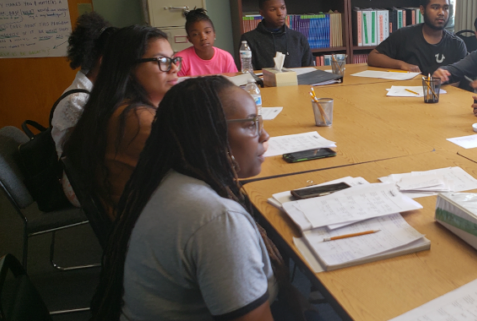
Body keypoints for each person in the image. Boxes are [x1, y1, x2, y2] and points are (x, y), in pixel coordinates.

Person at [89, 76, 313, 321]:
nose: (264, 135)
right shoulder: (217, 219)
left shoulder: (168, 178)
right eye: (251, 125)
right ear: (210, 135)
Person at [63, 25, 181, 219]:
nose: (174, 67)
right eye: (162, 61)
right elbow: (199, 169)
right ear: (129, 67)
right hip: (146, 229)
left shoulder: (116, 106)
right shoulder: (136, 119)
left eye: (174, 59)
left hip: (142, 218)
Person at [52, 12, 116, 206]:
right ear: (103, 60)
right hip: (79, 183)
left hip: (93, 170)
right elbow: (91, 157)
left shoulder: (96, 91)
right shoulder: (77, 101)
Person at [367, 0, 467, 74]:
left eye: (445, 8)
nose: (441, 13)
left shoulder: (457, 44)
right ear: (422, 10)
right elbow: (373, 57)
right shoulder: (404, 35)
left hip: (443, 97)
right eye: (435, 7)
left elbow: (457, 81)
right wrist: (401, 64)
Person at [240, 0, 314, 70]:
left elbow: (309, 71)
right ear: (262, 13)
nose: (280, 13)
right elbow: (248, 73)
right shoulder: (249, 39)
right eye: (273, 9)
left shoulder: (299, 38)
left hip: (297, 83)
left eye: (283, 8)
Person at [174, 8, 238, 77]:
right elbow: (177, 87)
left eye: (207, 32)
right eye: (195, 34)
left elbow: (233, 84)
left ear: (214, 34)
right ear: (190, 39)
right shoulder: (180, 60)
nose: (203, 37)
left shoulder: (226, 58)